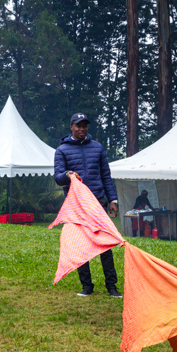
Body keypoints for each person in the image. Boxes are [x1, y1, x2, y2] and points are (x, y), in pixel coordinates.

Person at [54, 113, 121, 298]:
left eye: (85, 125)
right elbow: (58, 178)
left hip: (98, 203)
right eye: (78, 125)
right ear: (71, 127)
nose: (82, 128)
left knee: (105, 245)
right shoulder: (62, 150)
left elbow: (106, 176)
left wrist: (113, 200)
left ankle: (112, 287)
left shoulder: (97, 148)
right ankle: (86, 286)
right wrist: (67, 174)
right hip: (76, 206)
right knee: (80, 246)